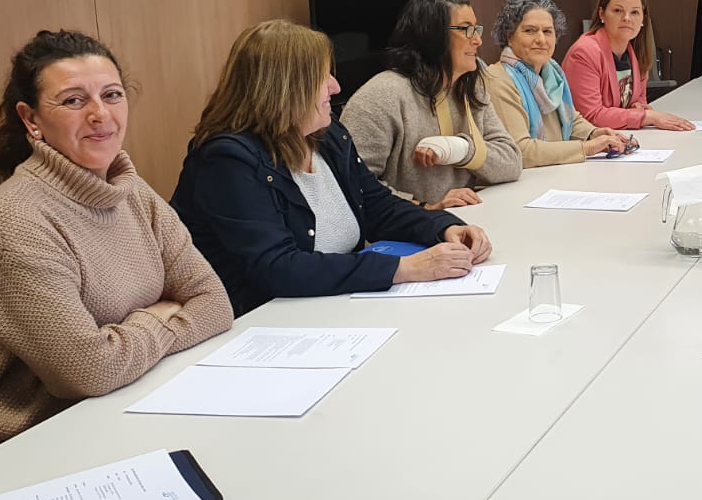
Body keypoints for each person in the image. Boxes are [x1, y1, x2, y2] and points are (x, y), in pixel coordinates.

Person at [0, 31, 232, 463]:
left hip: (128, 402)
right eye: (73, 100)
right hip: (21, 446)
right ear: (30, 119)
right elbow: (89, 371)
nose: (101, 114)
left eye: (112, 95)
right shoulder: (12, 221)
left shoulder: (131, 192)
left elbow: (215, 303)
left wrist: (121, 343)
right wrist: (156, 316)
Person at [172, 20, 493, 316]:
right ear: (286, 88)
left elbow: (377, 207)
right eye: (323, 77)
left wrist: (443, 228)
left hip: (331, 308)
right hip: (262, 323)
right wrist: (404, 268)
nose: (336, 87)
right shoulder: (226, 162)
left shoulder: (326, 135)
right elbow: (278, 268)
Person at [341, 0, 521, 210]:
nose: (478, 40)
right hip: (408, 228)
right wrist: (426, 208)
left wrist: (460, 149)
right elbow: (353, 186)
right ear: (433, 35)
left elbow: (511, 163)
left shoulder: (471, 87)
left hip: (466, 219)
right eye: (466, 29)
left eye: (476, 29)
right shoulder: (380, 96)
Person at [483, 0, 630, 167]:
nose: (541, 39)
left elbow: (570, 119)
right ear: (509, 36)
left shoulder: (552, 73)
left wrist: (594, 133)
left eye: (547, 31)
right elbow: (521, 151)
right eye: (530, 31)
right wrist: (587, 148)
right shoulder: (498, 80)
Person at [562, 0, 694, 131]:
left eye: (634, 12)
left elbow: (638, 101)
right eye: (618, 11)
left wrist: (639, 107)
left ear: (643, 19)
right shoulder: (584, 53)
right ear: (602, 14)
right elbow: (590, 116)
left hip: (620, 136)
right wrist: (646, 117)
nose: (626, 18)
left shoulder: (637, 51)